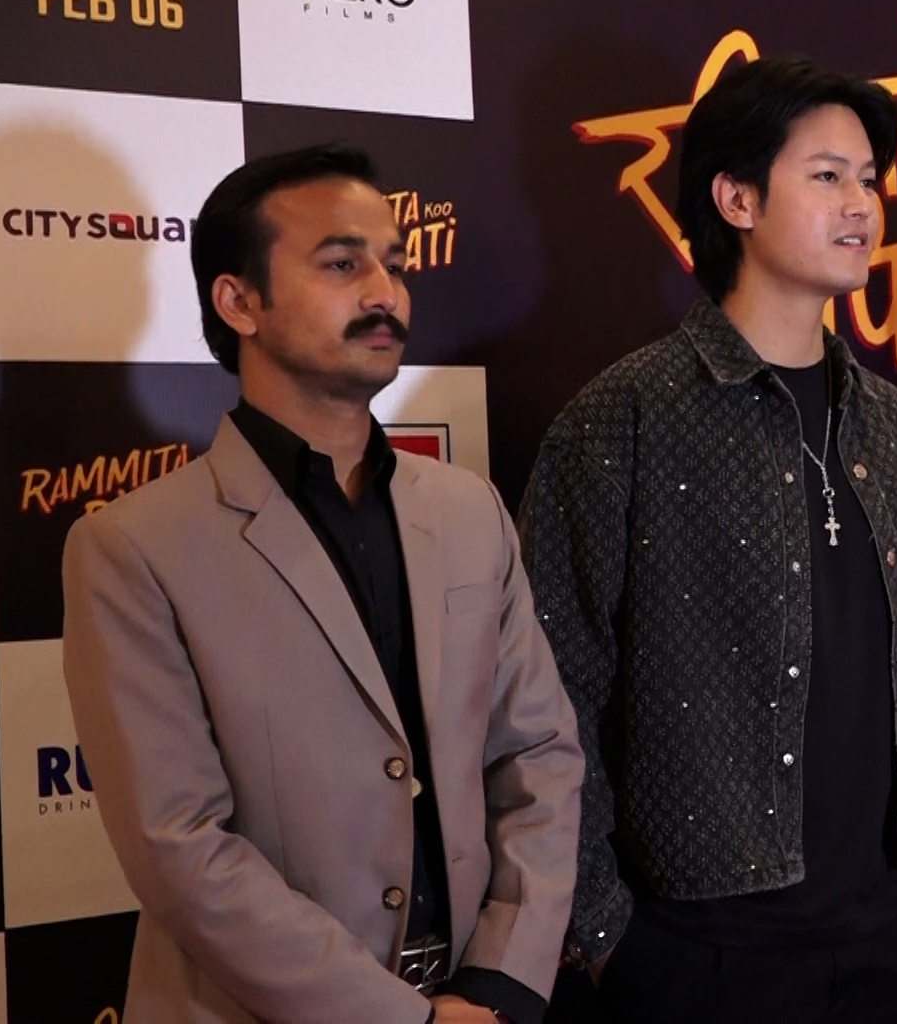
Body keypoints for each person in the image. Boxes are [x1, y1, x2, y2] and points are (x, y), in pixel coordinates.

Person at [517, 55, 897, 1024]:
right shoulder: (624, 417)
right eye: (827, 176)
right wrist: (605, 934)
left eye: (870, 180)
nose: (861, 205)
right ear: (735, 198)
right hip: (699, 953)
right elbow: (547, 691)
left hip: (894, 939)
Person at [60, 144, 584, 1024]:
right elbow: (179, 847)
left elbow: (538, 755)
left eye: (395, 265)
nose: (386, 293)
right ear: (239, 302)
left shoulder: (469, 512)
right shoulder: (132, 548)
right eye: (343, 264)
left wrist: (499, 981)